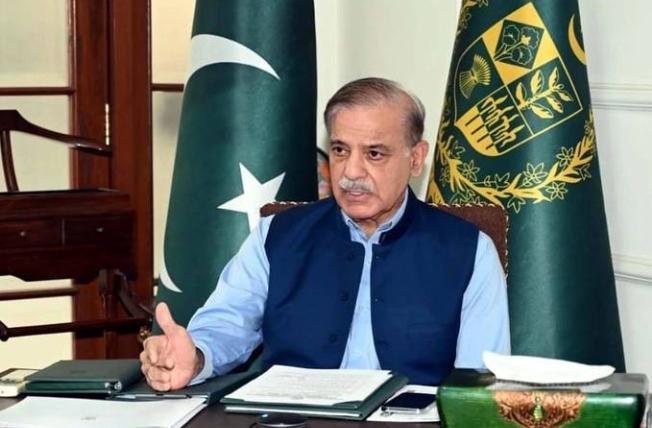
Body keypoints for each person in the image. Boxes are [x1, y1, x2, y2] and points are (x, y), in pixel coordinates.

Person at [141, 77, 510, 391]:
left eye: (374, 154)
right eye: (340, 150)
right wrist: (195, 356)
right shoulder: (277, 236)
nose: (351, 172)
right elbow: (228, 324)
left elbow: (478, 383)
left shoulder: (470, 251)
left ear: (415, 159)